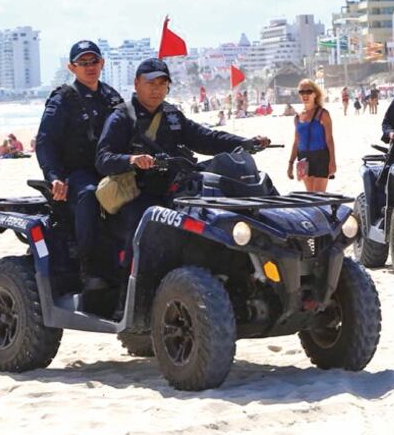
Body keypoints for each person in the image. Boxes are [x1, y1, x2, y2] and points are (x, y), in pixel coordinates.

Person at [96, 58, 270, 276]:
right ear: (136, 83)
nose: (156, 89)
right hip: (142, 192)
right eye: (151, 83)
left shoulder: (171, 114)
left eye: (162, 84)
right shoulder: (122, 117)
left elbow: (206, 138)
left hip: (179, 188)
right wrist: (132, 160)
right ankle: (130, 294)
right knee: (142, 227)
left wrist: (244, 142)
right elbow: (103, 158)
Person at [36, 40, 124, 289]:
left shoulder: (111, 97)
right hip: (76, 173)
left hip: (111, 168)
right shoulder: (63, 99)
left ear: (102, 63)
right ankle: (88, 267)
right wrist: (54, 176)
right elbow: (45, 142)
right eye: (82, 63)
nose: (89, 67)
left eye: (93, 61)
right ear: (72, 67)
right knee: (89, 196)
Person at [287, 79, 336, 191]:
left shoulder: (323, 114)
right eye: (301, 92)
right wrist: (290, 164)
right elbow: (296, 142)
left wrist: (332, 161)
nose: (305, 95)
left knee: (319, 197)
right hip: (303, 157)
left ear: (315, 93)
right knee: (310, 196)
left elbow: (329, 139)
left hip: (321, 157)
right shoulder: (298, 117)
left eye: (309, 91)